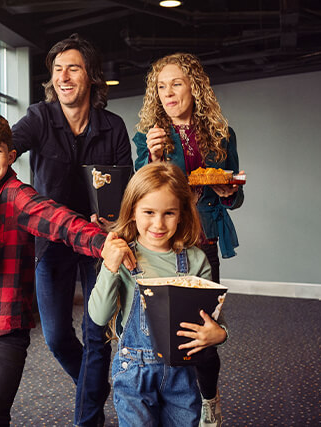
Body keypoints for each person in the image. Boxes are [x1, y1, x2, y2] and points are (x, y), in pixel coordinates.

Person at [0, 34, 133, 426]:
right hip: (48, 238)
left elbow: (126, 188)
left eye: (73, 68)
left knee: (97, 333)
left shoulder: (112, 127)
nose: (63, 76)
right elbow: (0, 145)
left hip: (93, 236)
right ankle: (91, 389)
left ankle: (88, 415)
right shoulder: (40, 117)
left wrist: (112, 230)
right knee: (57, 336)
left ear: (90, 76)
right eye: (57, 69)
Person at [133, 52, 243, 427]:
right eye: (161, 87)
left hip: (206, 240)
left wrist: (228, 188)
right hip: (163, 240)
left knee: (202, 329)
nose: (168, 93)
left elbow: (236, 195)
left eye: (176, 83)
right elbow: (139, 191)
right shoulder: (148, 136)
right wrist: (151, 155)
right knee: (158, 328)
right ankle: (168, 403)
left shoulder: (222, 134)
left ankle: (209, 400)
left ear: (194, 87)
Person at [88, 162, 228, 426]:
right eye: (149, 212)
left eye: (169, 213)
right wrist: (109, 266)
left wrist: (220, 334)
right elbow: (98, 316)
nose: (158, 223)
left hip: (183, 375)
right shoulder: (123, 255)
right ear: (132, 212)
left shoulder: (196, 261)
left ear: (182, 214)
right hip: (134, 375)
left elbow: (213, 320)